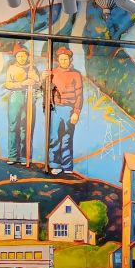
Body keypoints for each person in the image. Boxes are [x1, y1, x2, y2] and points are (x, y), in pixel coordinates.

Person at [43, 47, 83, 176]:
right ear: (58, 60)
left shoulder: (76, 74)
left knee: (67, 138)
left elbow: (79, 95)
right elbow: (44, 90)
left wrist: (76, 112)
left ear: (70, 59)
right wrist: (44, 79)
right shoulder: (52, 73)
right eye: (61, 59)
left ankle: (67, 165)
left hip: (69, 109)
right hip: (55, 108)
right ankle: (55, 164)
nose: (64, 61)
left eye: (66, 59)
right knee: (54, 137)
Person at [4, 43, 40, 165]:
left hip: (29, 97)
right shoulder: (12, 68)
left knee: (26, 127)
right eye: (19, 56)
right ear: (15, 57)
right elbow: (8, 84)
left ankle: (25, 157)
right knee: (13, 126)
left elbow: (39, 85)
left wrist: (34, 79)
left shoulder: (33, 68)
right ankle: (13, 156)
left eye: (23, 56)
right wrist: (22, 83)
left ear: (27, 56)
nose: (21, 58)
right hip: (16, 97)